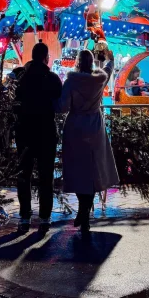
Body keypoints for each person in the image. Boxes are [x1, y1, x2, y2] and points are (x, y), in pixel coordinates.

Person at [58, 49, 119, 233]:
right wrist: (109, 55)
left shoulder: (71, 82)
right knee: (93, 168)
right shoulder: (100, 80)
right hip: (94, 126)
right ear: (92, 62)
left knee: (78, 168)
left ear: (77, 62)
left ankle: (82, 210)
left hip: (75, 126)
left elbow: (62, 107)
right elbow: (109, 67)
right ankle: (85, 212)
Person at [14, 41, 63, 233]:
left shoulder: (19, 76)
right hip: (45, 131)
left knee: (23, 175)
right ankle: (44, 217)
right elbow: (59, 99)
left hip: (24, 131)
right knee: (45, 176)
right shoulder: (51, 78)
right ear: (46, 58)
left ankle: (24, 216)